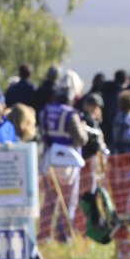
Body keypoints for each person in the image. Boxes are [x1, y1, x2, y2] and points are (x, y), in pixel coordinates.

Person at [38, 81, 90, 243]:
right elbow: (81, 138)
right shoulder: (71, 114)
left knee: (49, 201)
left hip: (49, 159)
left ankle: (44, 235)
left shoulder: (45, 111)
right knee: (68, 199)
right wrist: (83, 128)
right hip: (68, 161)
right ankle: (64, 235)